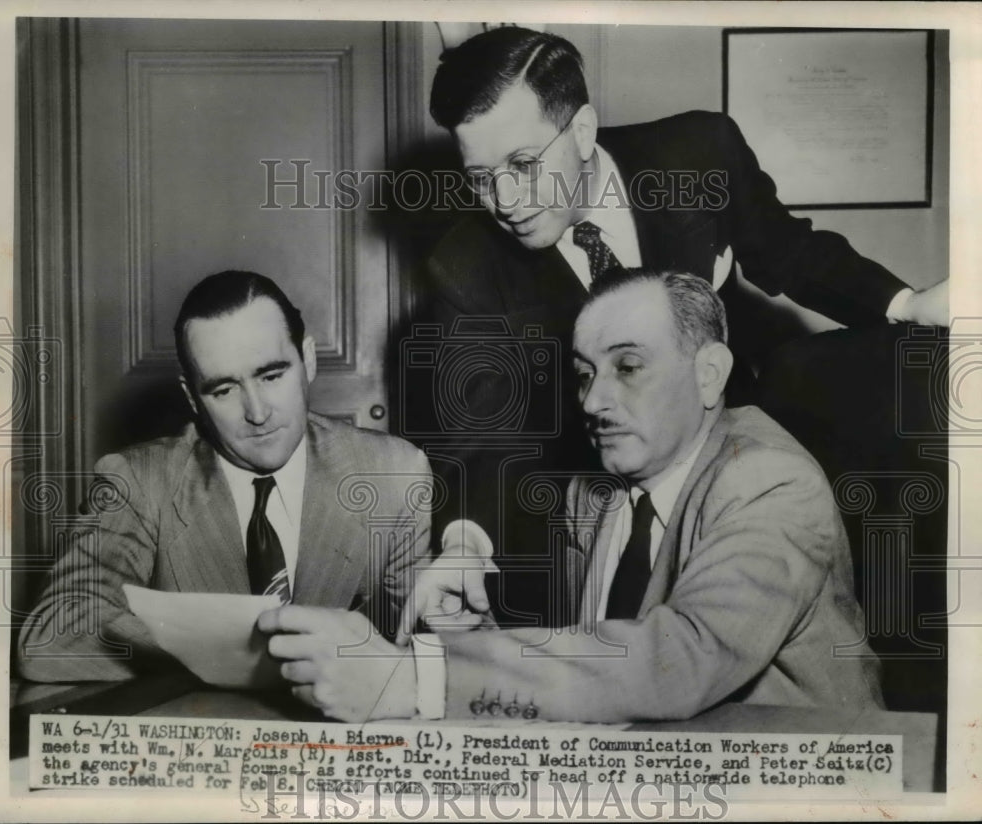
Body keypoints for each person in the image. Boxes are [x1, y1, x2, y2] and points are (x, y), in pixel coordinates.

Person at [405, 26, 948, 627]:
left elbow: (789, 251)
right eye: (480, 176)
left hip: (742, 458)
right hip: (599, 495)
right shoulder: (465, 263)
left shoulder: (697, 153)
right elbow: (484, 435)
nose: (504, 200)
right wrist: (464, 545)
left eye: (524, 164)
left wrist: (905, 303)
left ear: (582, 131)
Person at [260, 268, 883, 722]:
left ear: (709, 373)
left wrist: (415, 680)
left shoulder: (770, 481)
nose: (592, 401)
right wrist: (470, 629)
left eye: (628, 367)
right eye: (584, 374)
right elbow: (599, 664)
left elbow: (677, 661)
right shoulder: (601, 492)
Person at [17, 271, 431, 682]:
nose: (257, 412)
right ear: (191, 398)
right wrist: (230, 653)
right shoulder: (139, 483)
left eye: (271, 376)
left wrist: (458, 614)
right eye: (223, 390)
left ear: (308, 359)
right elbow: (53, 637)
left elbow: (433, 640)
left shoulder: (391, 475)